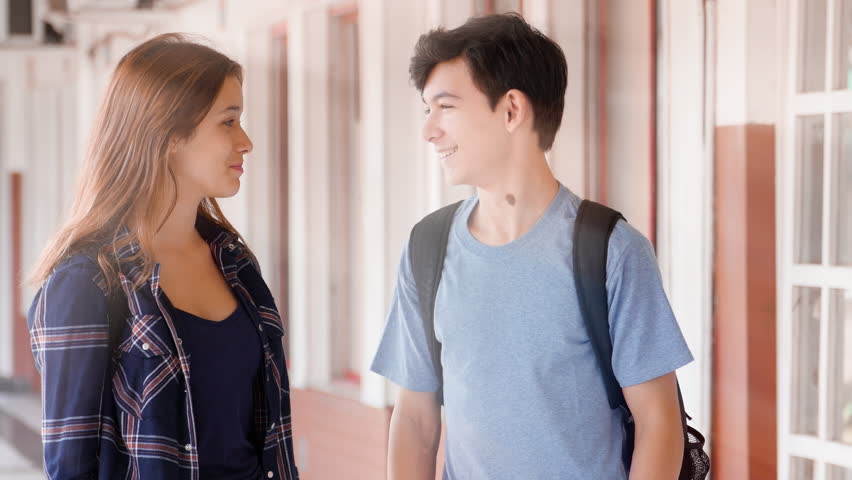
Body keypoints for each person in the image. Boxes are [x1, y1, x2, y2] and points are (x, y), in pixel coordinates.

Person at [371, 13, 692, 479]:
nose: (429, 131)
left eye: (446, 107)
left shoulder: (610, 251)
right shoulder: (428, 248)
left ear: (511, 110)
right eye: (427, 109)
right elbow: (417, 420)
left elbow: (659, 424)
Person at [27, 33, 298, 480]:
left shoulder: (236, 264)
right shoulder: (87, 282)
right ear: (169, 133)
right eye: (228, 122)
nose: (246, 141)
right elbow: (71, 466)